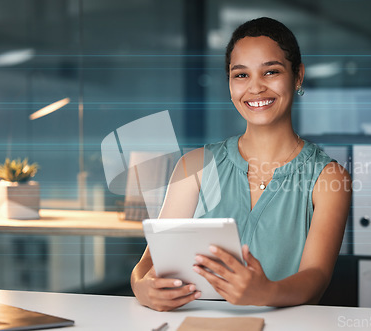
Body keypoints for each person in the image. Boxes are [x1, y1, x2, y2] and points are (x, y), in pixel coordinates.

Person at [130, 17, 351, 312]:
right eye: (241, 75)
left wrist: (266, 292)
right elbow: (149, 262)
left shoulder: (328, 178)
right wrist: (141, 288)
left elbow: (316, 278)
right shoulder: (193, 166)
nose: (256, 88)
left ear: (297, 76)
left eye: (271, 71)